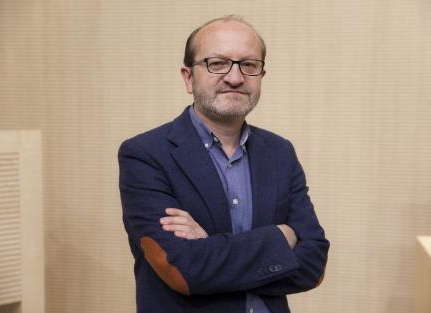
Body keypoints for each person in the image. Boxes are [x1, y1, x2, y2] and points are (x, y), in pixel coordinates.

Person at [118, 15, 329, 313]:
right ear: (189, 77)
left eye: (249, 65)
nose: (235, 77)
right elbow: (182, 270)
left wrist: (210, 249)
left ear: (261, 76)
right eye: (217, 63)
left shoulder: (280, 152)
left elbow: (315, 264)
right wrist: (281, 238)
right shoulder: (145, 154)